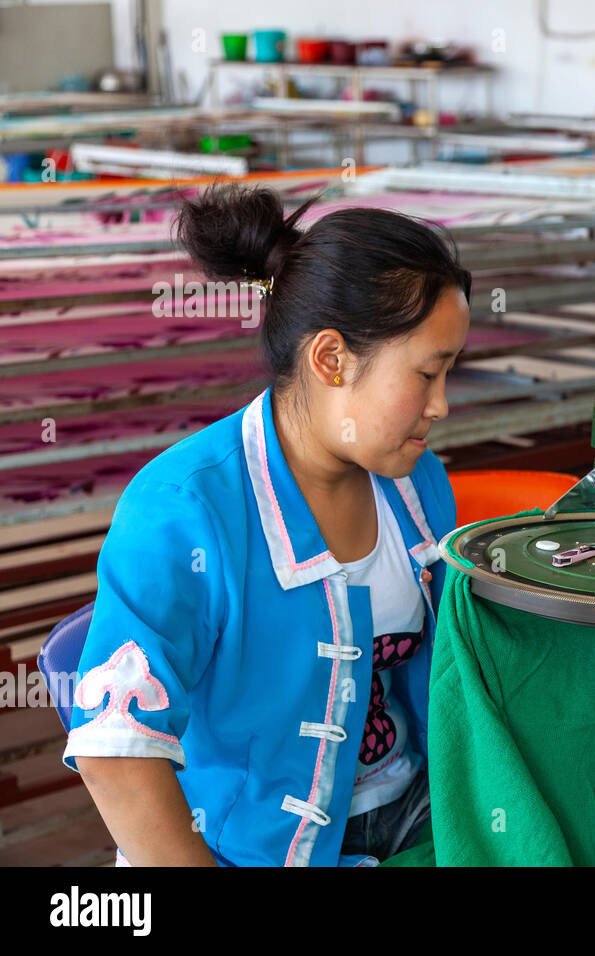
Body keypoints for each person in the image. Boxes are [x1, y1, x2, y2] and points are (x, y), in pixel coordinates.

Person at [62, 183, 471, 866]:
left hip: (411, 814)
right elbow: (115, 753)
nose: (443, 405)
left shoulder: (414, 483)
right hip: (245, 848)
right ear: (330, 359)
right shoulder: (186, 508)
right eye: (428, 373)